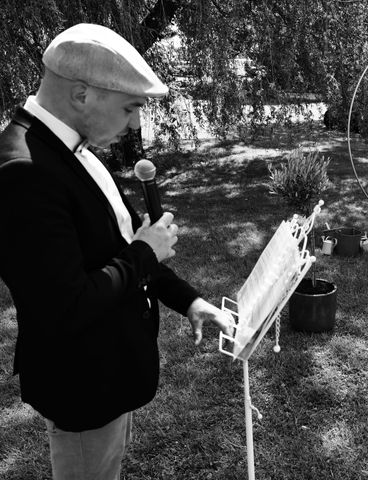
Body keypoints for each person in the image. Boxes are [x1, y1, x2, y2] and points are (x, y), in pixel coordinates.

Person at [0, 24, 234, 479]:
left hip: (110, 373)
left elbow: (125, 246)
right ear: (82, 94)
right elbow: (64, 307)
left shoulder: (71, 149)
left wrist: (190, 300)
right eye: (130, 108)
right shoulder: (22, 171)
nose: (133, 124)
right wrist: (145, 253)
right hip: (83, 386)